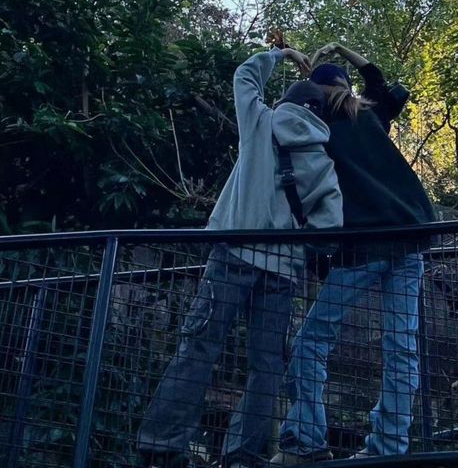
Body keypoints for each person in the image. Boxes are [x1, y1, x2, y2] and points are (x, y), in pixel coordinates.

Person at [138, 47, 343, 468]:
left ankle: (161, 447)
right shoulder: (323, 160)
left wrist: (280, 53)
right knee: (266, 366)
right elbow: (330, 229)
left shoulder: (261, 122)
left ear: (286, 101)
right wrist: (296, 238)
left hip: (232, 255)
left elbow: (245, 77)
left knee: (198, 346)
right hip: (281, 273)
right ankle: (243, 455)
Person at [270, 42, 437, 465]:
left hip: (364, 244)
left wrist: (301, 67)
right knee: (401, 346)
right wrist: (342, 49)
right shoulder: (372, 115)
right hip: (412, 236)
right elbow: (379, 81)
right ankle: (389, 448)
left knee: (312, 341)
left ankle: (305, 440)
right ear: (347, 87)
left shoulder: (318, 123)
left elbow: (287, 110)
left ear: (315, 90)